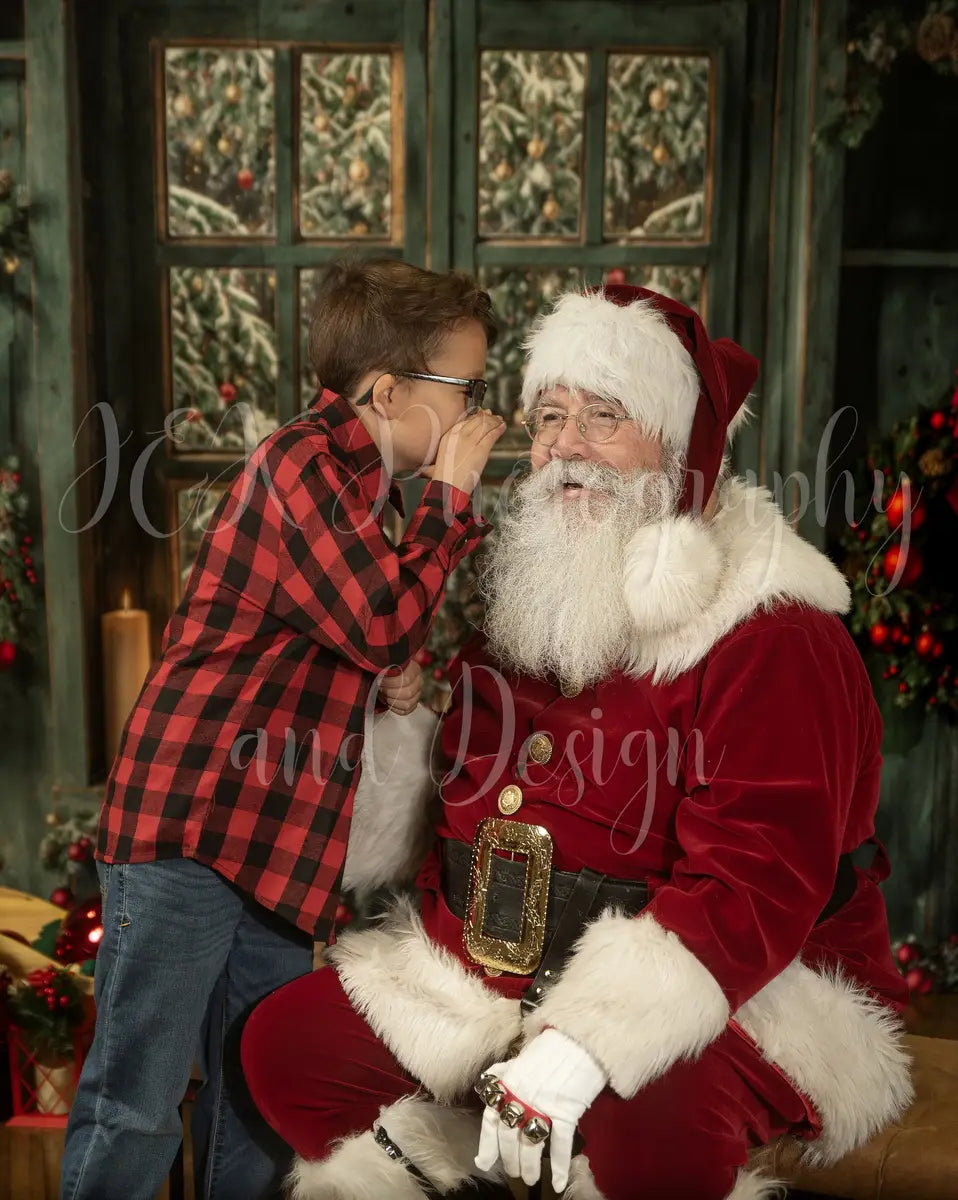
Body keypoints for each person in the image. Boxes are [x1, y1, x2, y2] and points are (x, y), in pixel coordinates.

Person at [239, 283, 914, 1200]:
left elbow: (756, 882)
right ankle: (469, 1154)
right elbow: (459, 804)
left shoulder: (774, 634)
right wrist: (396, 726)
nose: (564, 446)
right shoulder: (539, 603)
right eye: (551, 415)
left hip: (746, 985)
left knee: (636, 1125)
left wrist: (586, 1042)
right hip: (497, 968)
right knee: (287, 1050)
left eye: (605, 418)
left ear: (676, 455)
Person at [60, 258, 506, 1200]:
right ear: (389, 390)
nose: (474, 417)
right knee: (137, 1100)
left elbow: (358, 631)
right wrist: (453, 499)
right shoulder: (299, 464)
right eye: (463, 390)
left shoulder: (367, 492)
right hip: (193, 827)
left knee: (256, 1097)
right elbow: (379, 616)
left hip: (276, 847)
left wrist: (385, 675)